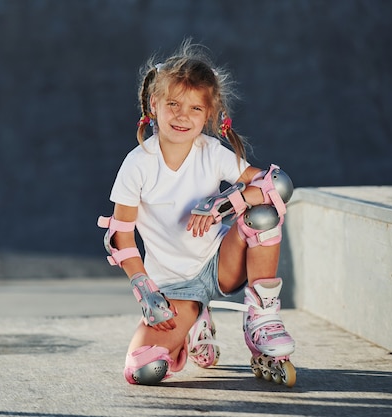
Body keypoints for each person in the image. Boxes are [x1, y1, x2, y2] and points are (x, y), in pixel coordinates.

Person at [98, 40, 296, 386]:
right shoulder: (138, 164)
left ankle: (263, 319)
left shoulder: (212, 152)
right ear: (154, 104)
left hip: (221, 263)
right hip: (175, 284)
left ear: (209, 115)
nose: (182, 116)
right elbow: (120, 236)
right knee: (144, 370)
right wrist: (146, 291)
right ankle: (196, 318)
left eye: (195, 108)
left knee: (263, 216)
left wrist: (222, 204)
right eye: (173, 104)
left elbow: (277, 185)